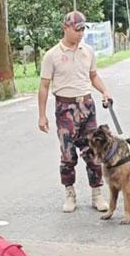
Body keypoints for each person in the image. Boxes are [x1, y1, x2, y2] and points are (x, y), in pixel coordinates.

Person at [37, 11, 113, 213]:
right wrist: (42, 115)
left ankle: (97, 194)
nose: (80, 33)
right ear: (65, 27)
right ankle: (70, 193)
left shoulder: (87, 51)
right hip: (65, 109)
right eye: (77, 29)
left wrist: (104, 91)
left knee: (93, 152)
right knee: (68, 155)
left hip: (86, 107)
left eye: (82, 29)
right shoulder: (52, 55)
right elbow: (44, 86)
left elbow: (93, 76)